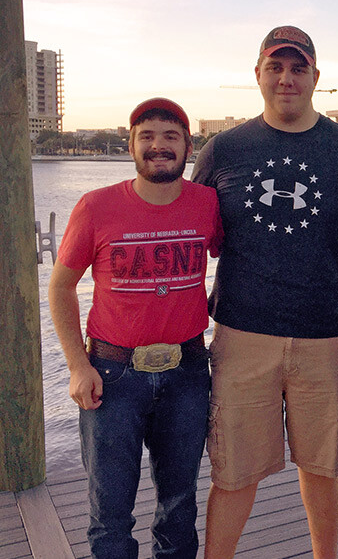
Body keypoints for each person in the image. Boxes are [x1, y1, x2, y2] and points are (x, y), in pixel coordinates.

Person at [191, 25, 338, 558]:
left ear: (316, 76)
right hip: (242, 335)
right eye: (276, 67)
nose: (286, 78)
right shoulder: (224, 149)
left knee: (323, 467)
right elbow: (190, 231)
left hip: (327, 336)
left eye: (298, 68)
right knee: (232, 471)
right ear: (258, 75)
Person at [49, 98, 221, 558]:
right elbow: (61, 288)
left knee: (180, 505)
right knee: (109, 514)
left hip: (187, 374)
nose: (158, 146)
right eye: (147, 136)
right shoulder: (96, 206)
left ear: (188, 145)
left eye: (170, 136)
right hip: (112, 376)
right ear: (131, 145)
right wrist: (76, 366)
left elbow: (245, 256)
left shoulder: (207, 203)